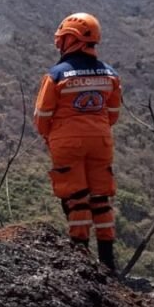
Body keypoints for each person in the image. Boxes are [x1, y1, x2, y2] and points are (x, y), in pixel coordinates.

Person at [33, 13, 122, 270]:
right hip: (101, 141)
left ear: (71, 39)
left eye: (62, 39)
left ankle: (81, 256)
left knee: (76, 197)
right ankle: (107, 259)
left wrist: (51, 137)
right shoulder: (110, 74)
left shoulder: (57, 74)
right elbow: (113, 113)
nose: (59, 44)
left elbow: (42, 116)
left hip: (67, 142)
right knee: (101, 197)